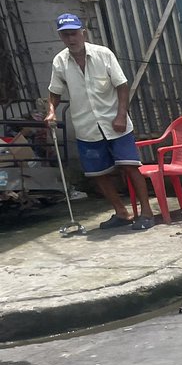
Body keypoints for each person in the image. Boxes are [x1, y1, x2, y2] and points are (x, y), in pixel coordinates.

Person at [44, 13, 156, 230]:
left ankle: (147, 213)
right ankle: (121, 213)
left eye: (74, 33)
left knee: (131, 167)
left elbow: (121, 85)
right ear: (61, 37)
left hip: (116, 123)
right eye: (66, 35)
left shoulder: (103, 54)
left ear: (82, 33)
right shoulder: (59, 61)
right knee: (98, 174)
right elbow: (54, 92)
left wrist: (121, 115)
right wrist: (51, 111)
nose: (71, 39)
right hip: (86, 126)